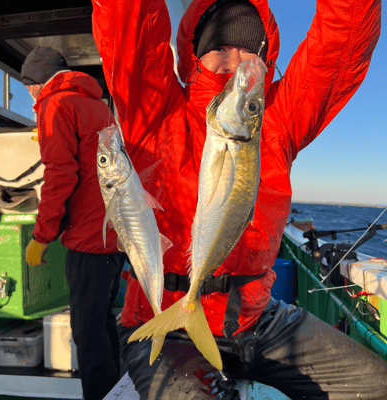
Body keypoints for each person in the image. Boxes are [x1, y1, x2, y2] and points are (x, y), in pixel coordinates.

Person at [91, 0, 387, 399]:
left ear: (266, 58)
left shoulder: (275, 118)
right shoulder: (154, 110)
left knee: (376, 386)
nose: (234, 61)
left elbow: (340, 46)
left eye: (250, 49)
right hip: (165, 321)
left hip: (258, 319)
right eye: (218, 47)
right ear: (194, 54)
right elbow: (127, 23)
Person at [21, 46, 126, 400]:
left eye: (28, 86)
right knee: (102, 323)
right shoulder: (97, 105)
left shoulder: (56, 104)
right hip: (112, 234)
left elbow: (60, 177)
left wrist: (41, 237)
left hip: (87, 238)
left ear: (36, 82)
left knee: (87, 332)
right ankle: (117, 392)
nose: (30, 95)